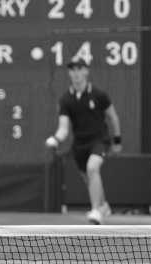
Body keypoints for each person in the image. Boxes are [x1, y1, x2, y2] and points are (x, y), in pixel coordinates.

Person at [45, 56, 123, 224]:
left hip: (99, 139)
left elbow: (113, 118)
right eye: (73, 70)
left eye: (80, 69)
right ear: (69, 73)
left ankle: (96, 211)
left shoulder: (99, 94)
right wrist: (57, 139)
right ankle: (103, 205)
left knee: (92, 168)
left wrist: (117, 141)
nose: (76, 73)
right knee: (90, 178)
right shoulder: (65, 100)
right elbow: (64, 127)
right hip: (79, 145)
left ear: (86, 71)